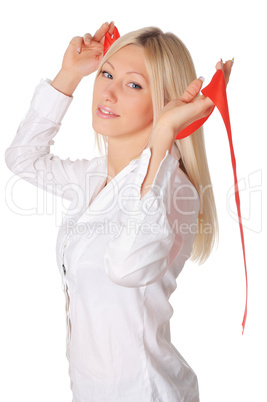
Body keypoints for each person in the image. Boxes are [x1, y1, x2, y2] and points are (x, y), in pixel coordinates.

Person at [5, 21, 233, 402]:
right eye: (106, 73)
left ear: (164, 104)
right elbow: (22, 159)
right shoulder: (94, 177)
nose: (107, 92)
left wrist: (163, 138)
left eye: (133, 84)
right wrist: (69, 74)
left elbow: (127, 267)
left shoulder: (173, 189)